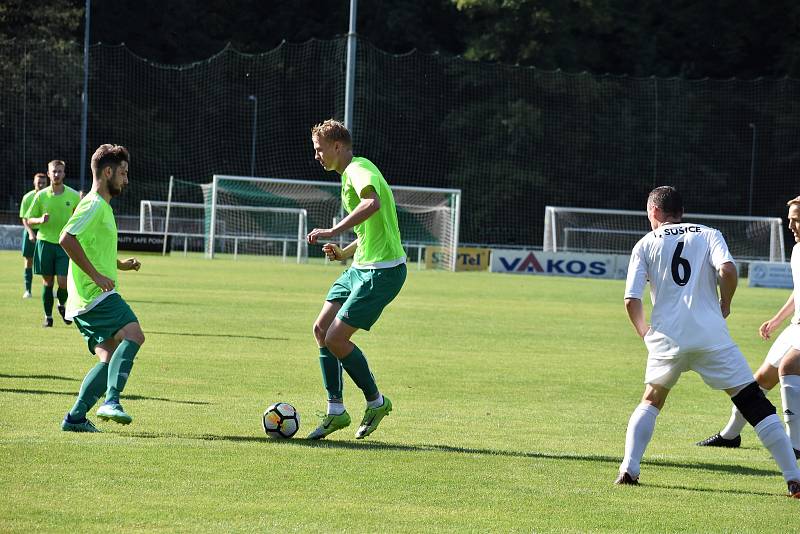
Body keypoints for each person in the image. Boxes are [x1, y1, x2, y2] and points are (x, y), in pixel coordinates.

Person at [615, 185, 800, 498]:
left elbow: (631, 299)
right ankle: (794, 478)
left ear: (655, 212)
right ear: (681, 211)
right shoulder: (709, 233)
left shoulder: (645, 243)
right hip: (711, 336)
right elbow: (728, 270)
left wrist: (645, 332)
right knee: (752, 401)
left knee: (651, 399)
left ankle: (629, 469)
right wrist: (725, 302)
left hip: (667, 338)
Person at [304, 119, 406, 440]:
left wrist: (332, 231)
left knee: (336, 339)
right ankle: (336, 411)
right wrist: (345, 251)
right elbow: (369, 229)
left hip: (381, 271)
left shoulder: (357, 169)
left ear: (337, 146)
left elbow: (372, 204)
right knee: (321, 329)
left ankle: (376, 402)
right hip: (361, 266)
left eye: (320, 150)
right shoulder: (352, 172)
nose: (317, 156)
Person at [696, 196, 800, 459]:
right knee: (759, 382)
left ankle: (796, 444)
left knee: (789, 368)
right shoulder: (798, 250)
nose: (791, 227)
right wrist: (777, 320)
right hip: (795, 326)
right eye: (790, 220)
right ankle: (731, 435)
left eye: (796, 220)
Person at [59, 144, 145, 432]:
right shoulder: (94, 204)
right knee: (133, 334)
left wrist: (120, 265)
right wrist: (96, 276)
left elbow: (91, 246)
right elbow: (66, 238)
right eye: (122, 173)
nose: (126, 179)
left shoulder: (102, 207)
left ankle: (75, 418)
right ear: (107, 172)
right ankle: (112, 400)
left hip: (88, 298)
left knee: (108, 358)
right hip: (94, 295)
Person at [25, 160, 81, 327]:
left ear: (64, 174)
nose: (56, 174)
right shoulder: (40, 196)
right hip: (45, 244)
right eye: (53, 171)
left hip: (65, 244)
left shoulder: (73, 195)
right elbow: (29, 219)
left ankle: (62, 304)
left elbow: (80, 217)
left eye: (59, 171)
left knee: (63, 282)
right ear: (48, 174)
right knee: (48, 282)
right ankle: (48, 317)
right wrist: (40, 219)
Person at [19, 172, 48, 298]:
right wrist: (31, 233)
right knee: (28, 261)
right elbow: (25, 218)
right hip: (31, 231)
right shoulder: (27, 197)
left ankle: (48, 288)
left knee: (46, 262)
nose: (41, 185)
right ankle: (28, 290)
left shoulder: (49, 196)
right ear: (34, 183)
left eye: (43, 183)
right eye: (39, 182)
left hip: (45, 233)